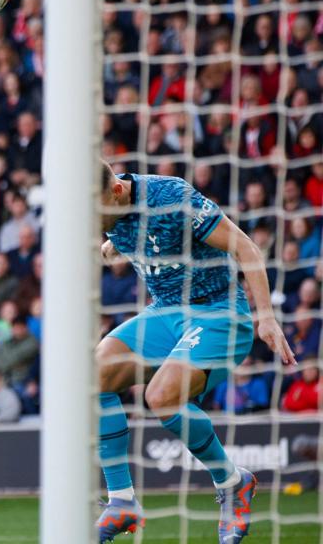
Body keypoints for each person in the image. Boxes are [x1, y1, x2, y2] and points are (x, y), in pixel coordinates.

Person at [95, 162, 294, 543]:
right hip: (165, 311)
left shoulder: (170, 197)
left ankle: (233, 482)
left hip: (218, 310)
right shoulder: (105, 208)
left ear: (117, 191)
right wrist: (108, 249)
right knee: (94, 373)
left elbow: (245, 246)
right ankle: (121, 501)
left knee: (161, 396)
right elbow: (121, 238)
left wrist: (265, 316)